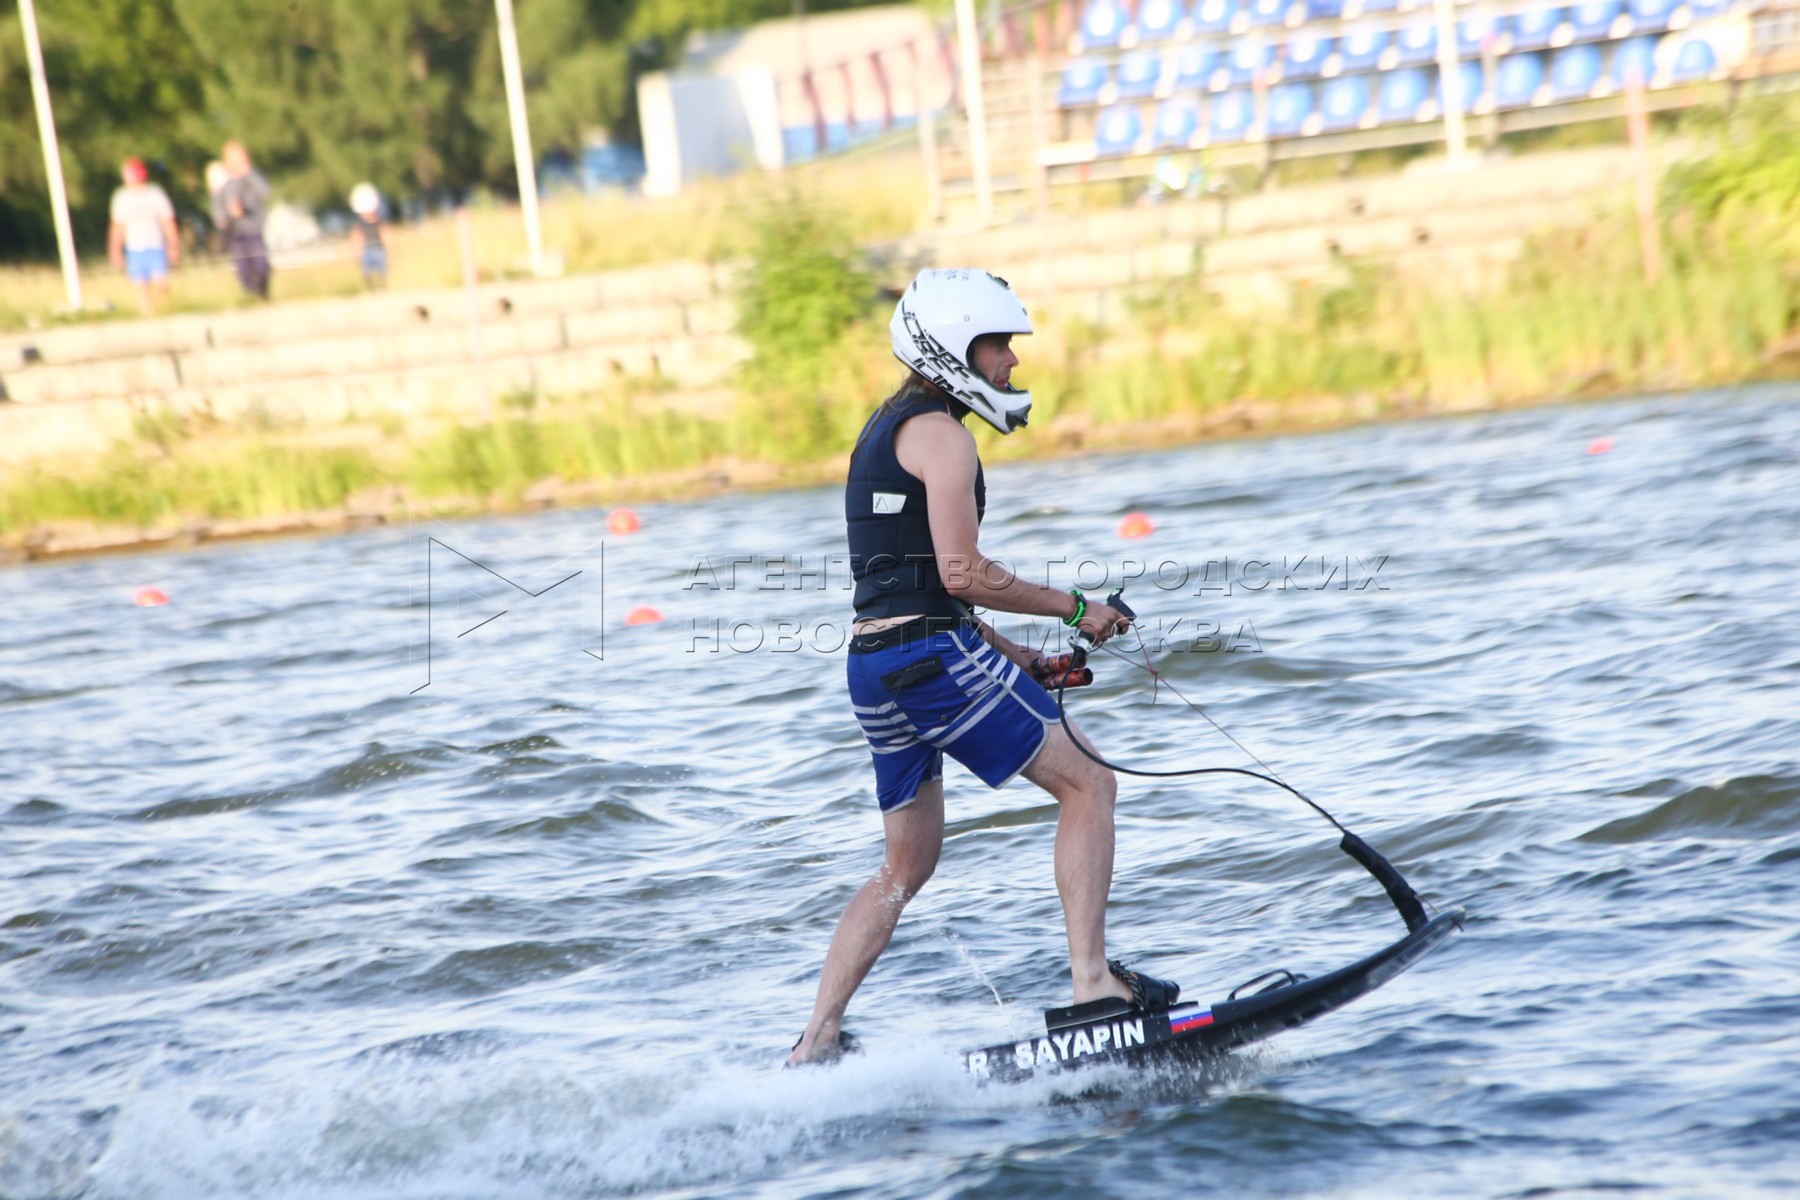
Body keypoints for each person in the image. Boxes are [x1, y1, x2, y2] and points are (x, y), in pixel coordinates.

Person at [787, 269, 1179, 1066]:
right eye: (996, 344)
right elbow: (962, 573)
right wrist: (1075, 608)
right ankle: (1094, 986)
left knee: (905, 864)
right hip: (931, 658)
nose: (1011, 360)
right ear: (950, 349)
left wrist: (1019, 658)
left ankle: (816, 1042)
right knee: (1090, 784)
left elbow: (919, 592)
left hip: (876, 666)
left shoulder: (884, 427)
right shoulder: (943, 434)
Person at [107, 158, 179, 314]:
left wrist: (173, 244)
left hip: (156, 245)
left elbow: (167, 220)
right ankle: (149, 317)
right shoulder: (122, 198)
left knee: (161, 285)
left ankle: (168, 312)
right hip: (135, 248)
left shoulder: (155, 195)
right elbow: (118, 226)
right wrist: (115, 249)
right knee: (141, 287)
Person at [218, 140, 272, 299]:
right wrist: (225, 216)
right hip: (236, 234)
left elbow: (266, 193)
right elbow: (218, 207)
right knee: (243, 269)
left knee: (261, 265)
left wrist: (249, 172)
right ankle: (249, 296)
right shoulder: (226, 185)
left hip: (254, 230)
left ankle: (262, 293)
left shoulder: (253, 178)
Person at [348, 182, 388, 290]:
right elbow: (357, 237)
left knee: (382, 270)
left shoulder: (378, 222)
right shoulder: (360, 224)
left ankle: (382, 287)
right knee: (366, 272)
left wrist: (388, 248)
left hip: (378, 247)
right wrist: (356, 252)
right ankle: (371, 289)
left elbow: (385, 234)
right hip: (367, 249)